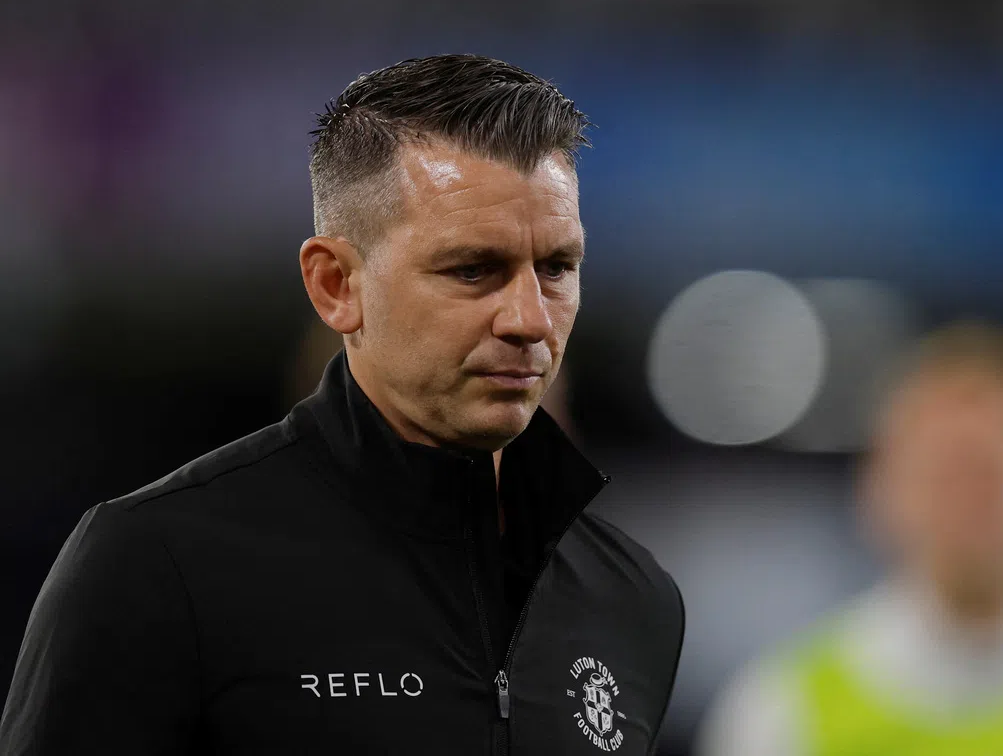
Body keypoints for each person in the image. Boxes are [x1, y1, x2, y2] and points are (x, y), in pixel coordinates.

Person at [1, 55, 684, 754]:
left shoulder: (632, 598)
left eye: (556, 268)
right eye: (473, 270)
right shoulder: (155, 566)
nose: (530, 319)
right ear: (336, 285)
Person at [697, 321, 1003, 756]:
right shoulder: (783, 713)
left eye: (993, 475)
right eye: (943, 475)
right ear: (877, 491)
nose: (969, 504)